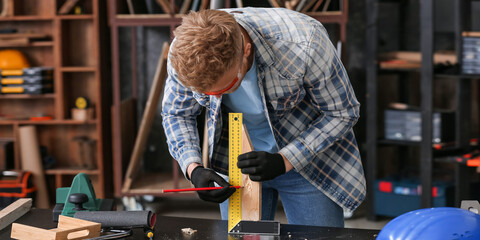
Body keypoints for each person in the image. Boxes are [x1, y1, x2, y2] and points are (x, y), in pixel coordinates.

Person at [162, 7, 366, 228]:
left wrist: (285, 160)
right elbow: (176, 113)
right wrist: (194, 168)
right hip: (239, 162)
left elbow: (342, 113)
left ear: (246, 51)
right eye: (208, 95)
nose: (217, 98)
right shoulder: (184, 52)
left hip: (307, 160)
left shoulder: (305, 41)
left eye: (228, 87)